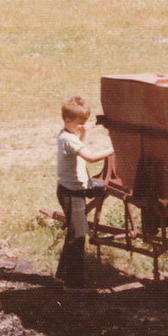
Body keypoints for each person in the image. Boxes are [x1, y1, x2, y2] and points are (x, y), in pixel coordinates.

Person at [55, 95, 108, 290]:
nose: (83, 126)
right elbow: (91, 157)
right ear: (67, 121)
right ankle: (73, 283)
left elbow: (80, 145)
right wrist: (113, 150)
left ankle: (62, 277)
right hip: (71, 193)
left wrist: (83, 134)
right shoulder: (68, 140)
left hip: (72, 191)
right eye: (80, 123)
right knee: (78, 236)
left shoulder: (67, 135)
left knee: (75, 234)